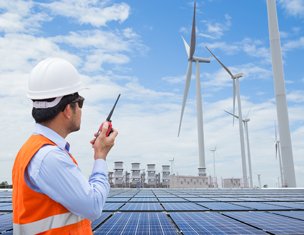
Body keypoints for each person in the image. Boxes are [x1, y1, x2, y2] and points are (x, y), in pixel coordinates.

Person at [12, 57, 118, 234]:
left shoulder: (32, 150)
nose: (82, 109)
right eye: (80, 102)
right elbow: (93, 206)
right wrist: (100, 156)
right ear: (68, 110)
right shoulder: (49, 157)